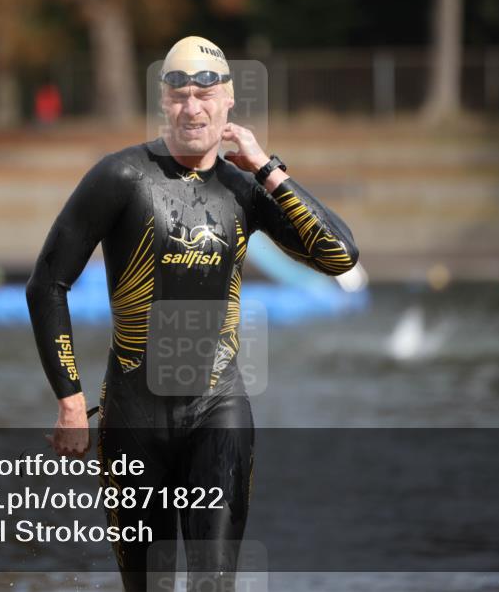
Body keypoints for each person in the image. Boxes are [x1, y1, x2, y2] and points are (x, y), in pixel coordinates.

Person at [26, 35, 358, 590]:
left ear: (229, 102)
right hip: (132, 417)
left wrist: (268, 169)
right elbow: (47, 284)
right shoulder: (121, 177)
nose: (192, 107)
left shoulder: (244, 190)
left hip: (217, 410)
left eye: (205, 94)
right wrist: (70, 401)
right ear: (163, 103)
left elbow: (339, 256)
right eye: (178, 94)